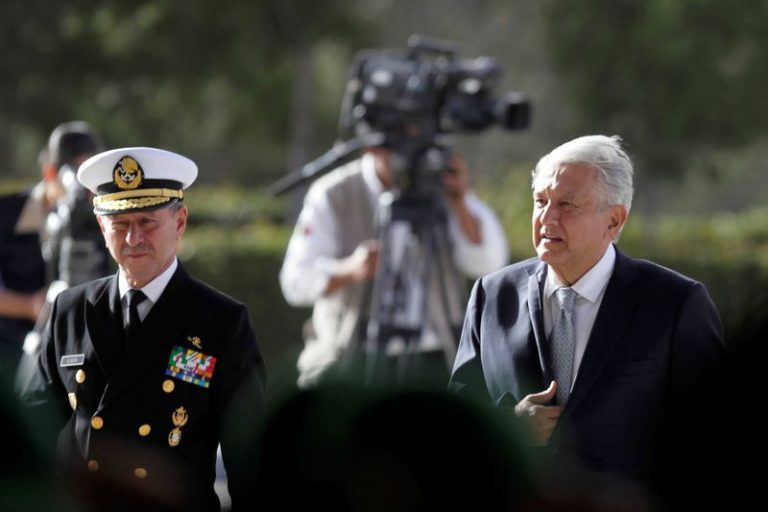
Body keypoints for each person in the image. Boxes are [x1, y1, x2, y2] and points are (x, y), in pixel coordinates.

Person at [449, 135, 726, 505]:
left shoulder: (676, 304)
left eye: (567, 204)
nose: (547, 218)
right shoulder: (493, 295)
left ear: (613, 220)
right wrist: (509, 425)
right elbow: (456, 421)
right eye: (541, 201)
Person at [20, 147, 266, 511]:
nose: (133, 238)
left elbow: (251, 461)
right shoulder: (70, 310)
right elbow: (29, 432)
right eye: (120, 224)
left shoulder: (221, 321)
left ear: (179, 222)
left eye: (147, 222)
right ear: (102, 227)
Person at [280, 145, 508, 387]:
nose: (410, 149)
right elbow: (296, 281)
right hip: (351, 356)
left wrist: (460, 203)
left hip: (436, 355)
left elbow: (489, 263)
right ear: (372, 146)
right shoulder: (335, 191)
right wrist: (351, 269)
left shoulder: (440, 185)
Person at [0, 121, 104, 368]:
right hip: (10, 354)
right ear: (49, 173)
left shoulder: (100, 219)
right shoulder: (5, 214)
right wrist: (31, 306)